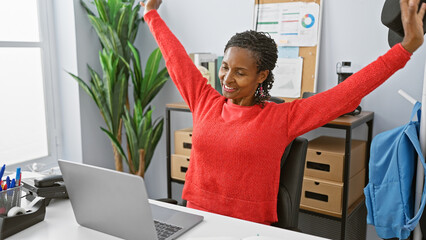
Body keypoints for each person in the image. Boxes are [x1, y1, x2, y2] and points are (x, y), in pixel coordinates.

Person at [141, 0, 426, 225]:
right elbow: (174, 57)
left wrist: (404, 50)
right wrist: (150, 13)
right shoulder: (204, 101)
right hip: (198, 220)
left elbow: (346, 94)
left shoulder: (281, 118)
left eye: (240, 72)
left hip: (248, 229)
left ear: (261, 75)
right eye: (225, 67)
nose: (227, 78)